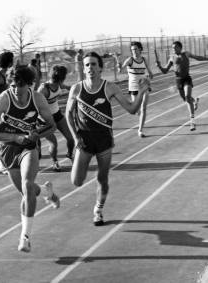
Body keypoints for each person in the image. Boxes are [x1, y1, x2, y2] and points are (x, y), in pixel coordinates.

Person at [0, 66, 60, 252]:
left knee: (27, 185)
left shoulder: (38, 98)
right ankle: (48, 193)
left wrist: (36, 135)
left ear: (29, 85)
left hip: (28, 147)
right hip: (8, 148)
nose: (16, 89)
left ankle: (25, 237)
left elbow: (52, 126)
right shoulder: (3, 99)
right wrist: (15, 138)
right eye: (13, 84)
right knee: (28, 191)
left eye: (20, 85)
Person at [66, 52, 149, 226]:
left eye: (94, 65)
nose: (90, 68)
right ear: (83, 67)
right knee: (77, 181)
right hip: (84, 142)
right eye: (87, 65)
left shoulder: (110, 87)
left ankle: (98, 209)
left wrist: (141, 92)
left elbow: (132, 109)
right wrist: (75, 138)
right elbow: (68, 113)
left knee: (102, 179)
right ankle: (95, 197)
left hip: (104, 141)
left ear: (101, 68)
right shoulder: (76, 89)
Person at [155, 41, 208, 131]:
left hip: (186, 79)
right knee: (186, 99)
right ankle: (194, 101)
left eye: (175, 47)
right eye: (172, 48)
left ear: (180, 48)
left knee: (187, 96)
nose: (173, 49)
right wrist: (159, 66)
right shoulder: (171, 58)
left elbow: (198, 58)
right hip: (178, 80)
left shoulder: (186, 54)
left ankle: (192, 122)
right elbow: (165, 71)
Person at [38, 65, 74, 171]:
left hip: (57, 114)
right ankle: (55, 162)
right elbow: (35, 106)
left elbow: (68, 87)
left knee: (71, 138)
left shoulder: (59, 84)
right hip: (45, 119)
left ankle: (70, 154)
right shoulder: (43, 89)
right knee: (54, 142)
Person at [119, 41, 153, 137]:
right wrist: (119, 65)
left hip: (144, 86)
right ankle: (139, 115)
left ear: (140, 49)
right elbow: (121, 70)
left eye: (135, 49)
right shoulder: (130, 60)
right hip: (133, 87)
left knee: (143, 108)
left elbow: (150, 72)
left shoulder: (144, 59)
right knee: (136, 110)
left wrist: (149, 76)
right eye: (132, 50)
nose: (134, 51)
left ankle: (140, 130)